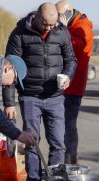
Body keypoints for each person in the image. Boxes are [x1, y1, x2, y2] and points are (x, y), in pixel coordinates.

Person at [4, 2, 77, 181]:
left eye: (53, 24)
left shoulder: (62, 32)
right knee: (32, 142)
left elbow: (71, 59)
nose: (49, 28)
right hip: (29, 96)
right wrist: (9, 102)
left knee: (58, 144)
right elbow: (9, 68)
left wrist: (68, 76)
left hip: (55, 97)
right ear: (36, 17)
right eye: (46, 24)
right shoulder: (19, 33)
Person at [56, 0, 94, 164]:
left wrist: (62, 31)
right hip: (65, 84)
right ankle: (63, 162)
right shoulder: (73, 26)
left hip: (73, 86)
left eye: (59, 15)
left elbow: (73, 47)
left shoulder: (83, 27)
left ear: (67, 14)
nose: (56, 19)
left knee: (69, 126)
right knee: (61, 126)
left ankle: (70, 163)